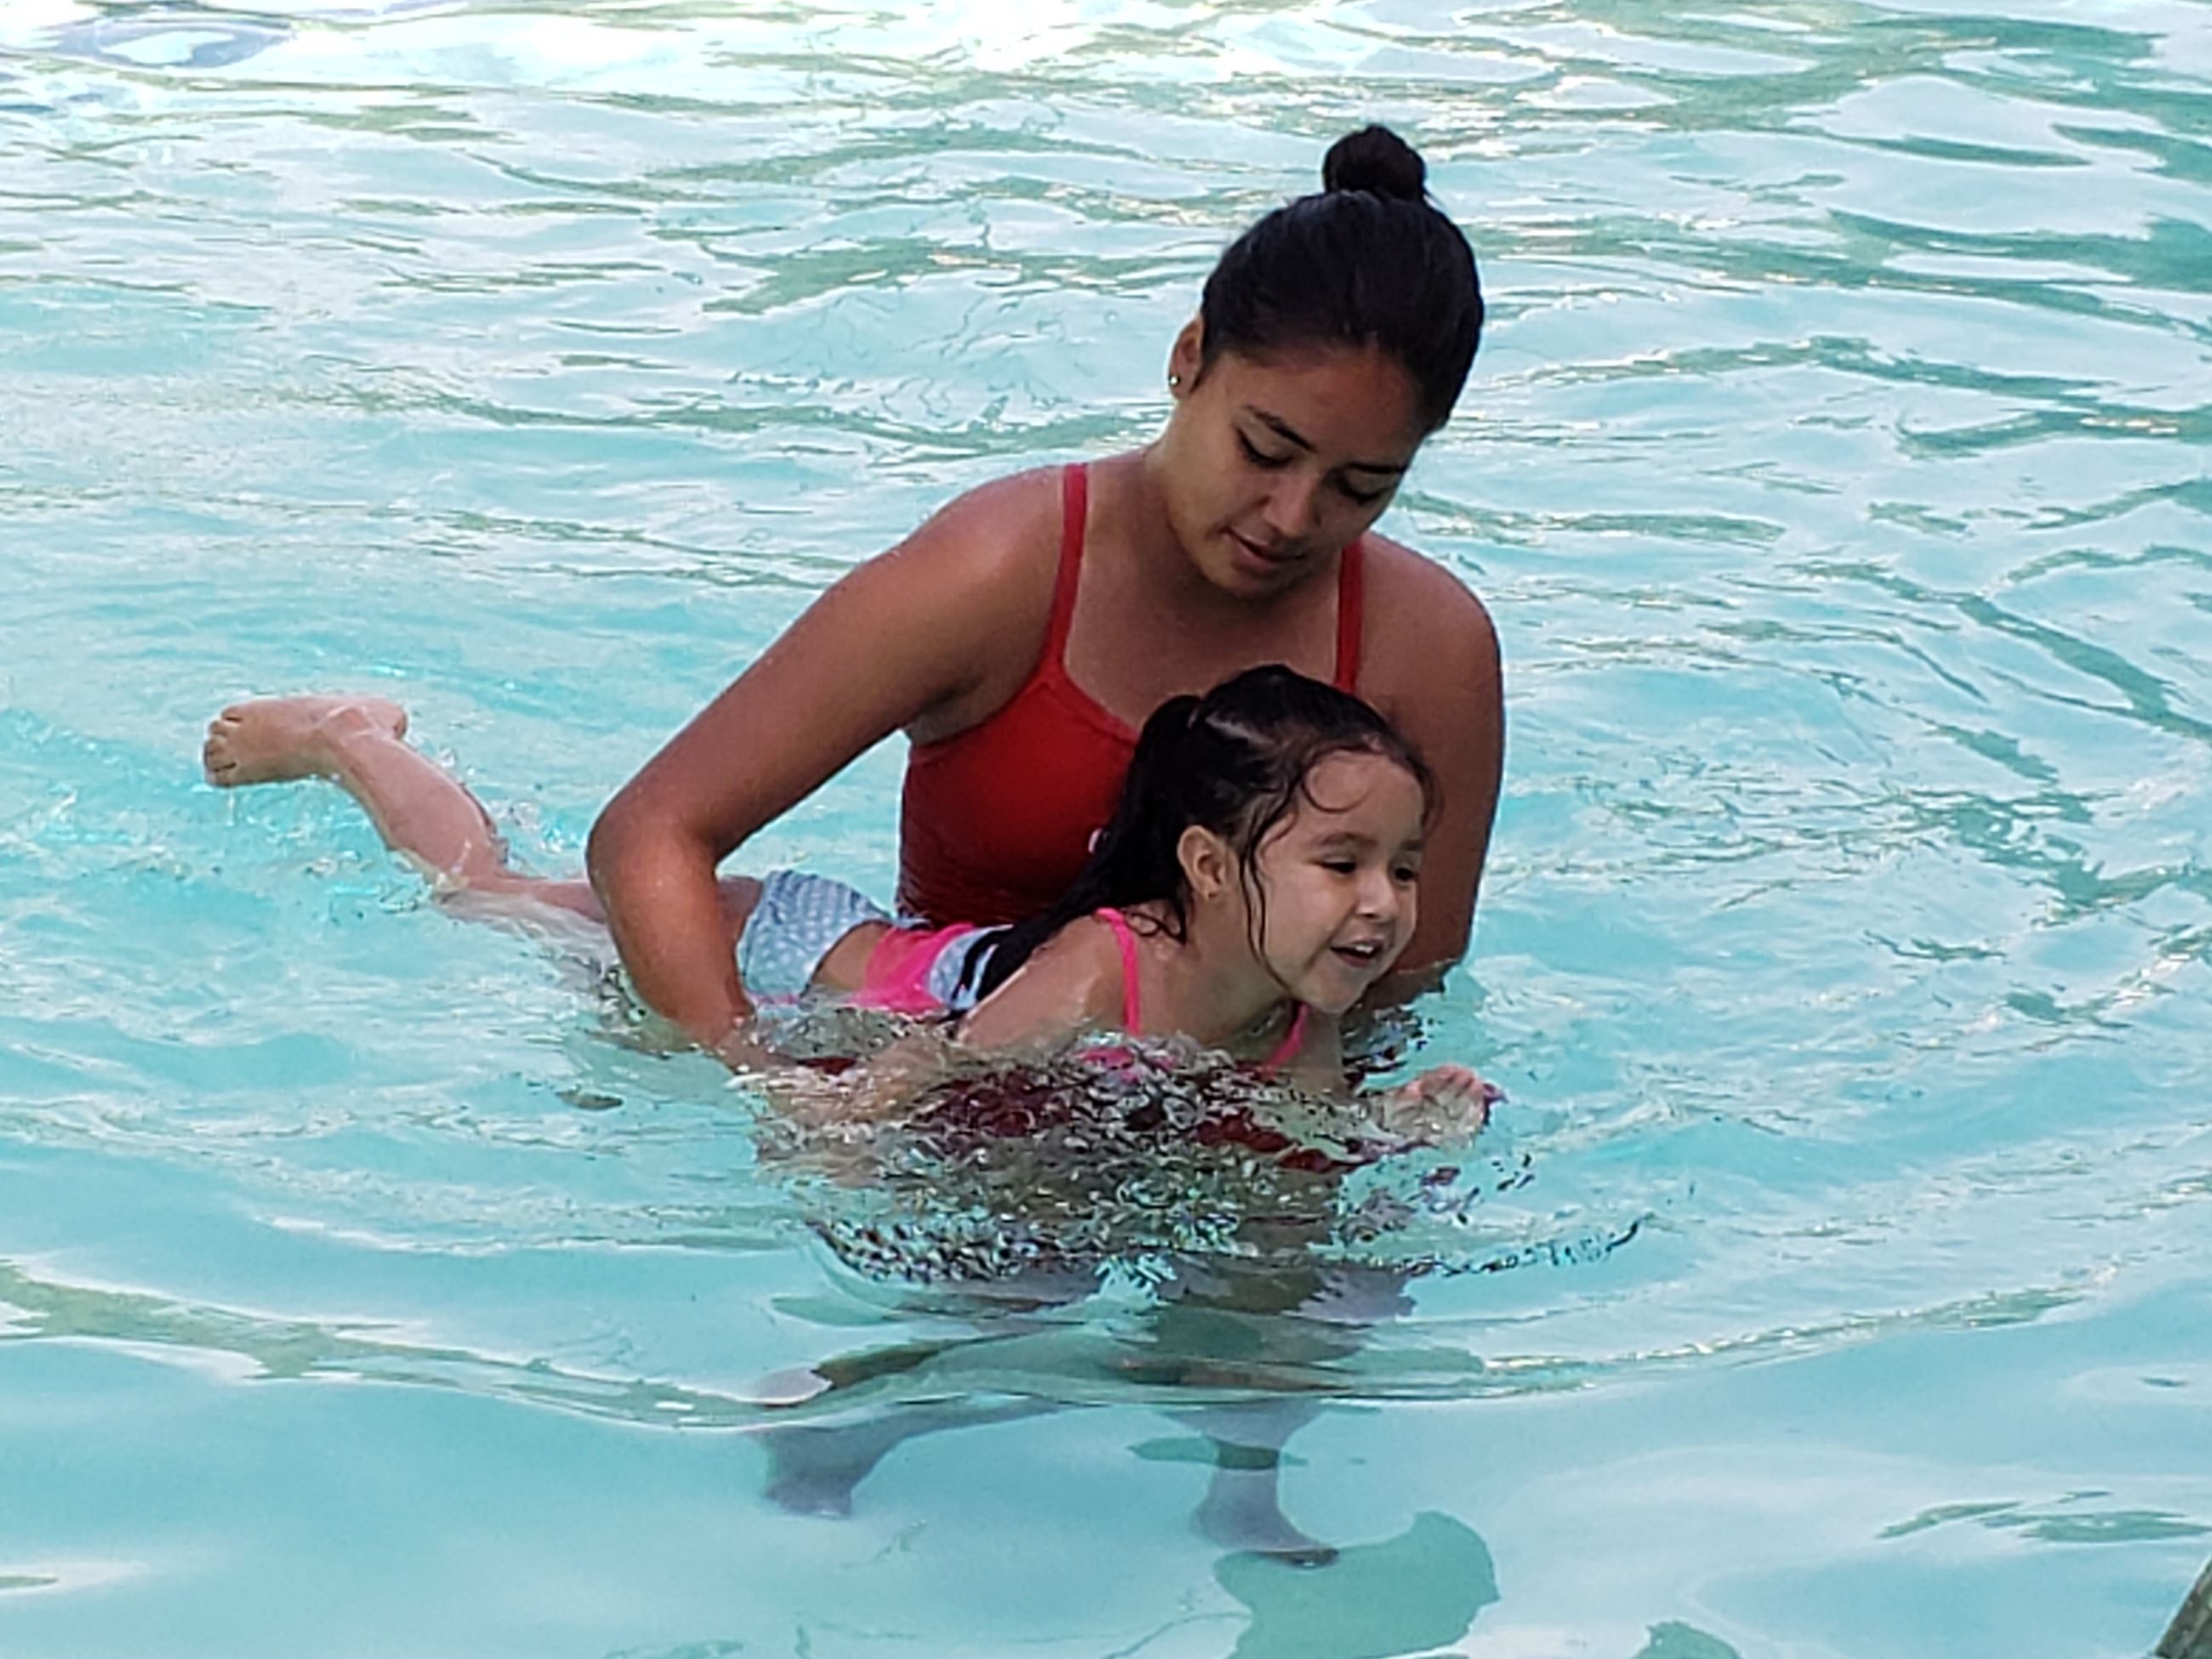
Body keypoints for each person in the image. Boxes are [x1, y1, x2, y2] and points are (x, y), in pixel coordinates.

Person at [583, 123, 1502, 1056]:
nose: (1291, 517)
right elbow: (651, 833)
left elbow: (1395, 993)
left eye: (1361, 487)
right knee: (510, 903)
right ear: (1188, 356)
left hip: (1158, 1091)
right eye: (1262, 450)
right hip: (930, 1025)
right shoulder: (998, 571)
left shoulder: (1425, 649)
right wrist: (750, 1080)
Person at [198, 667, 1496, 1140]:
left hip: (869, 953)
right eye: (1342, 866)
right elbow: (935, 1061)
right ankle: (350, 735)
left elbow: (1296, 1125)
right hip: (793, 948)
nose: (1382, 906)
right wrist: (828, 1118)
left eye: (1405, 866)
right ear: (1211, 868)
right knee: (480, 897)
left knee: (518, 891)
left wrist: (1395, 1122)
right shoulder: (1107, 965)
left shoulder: (1297, 1011)